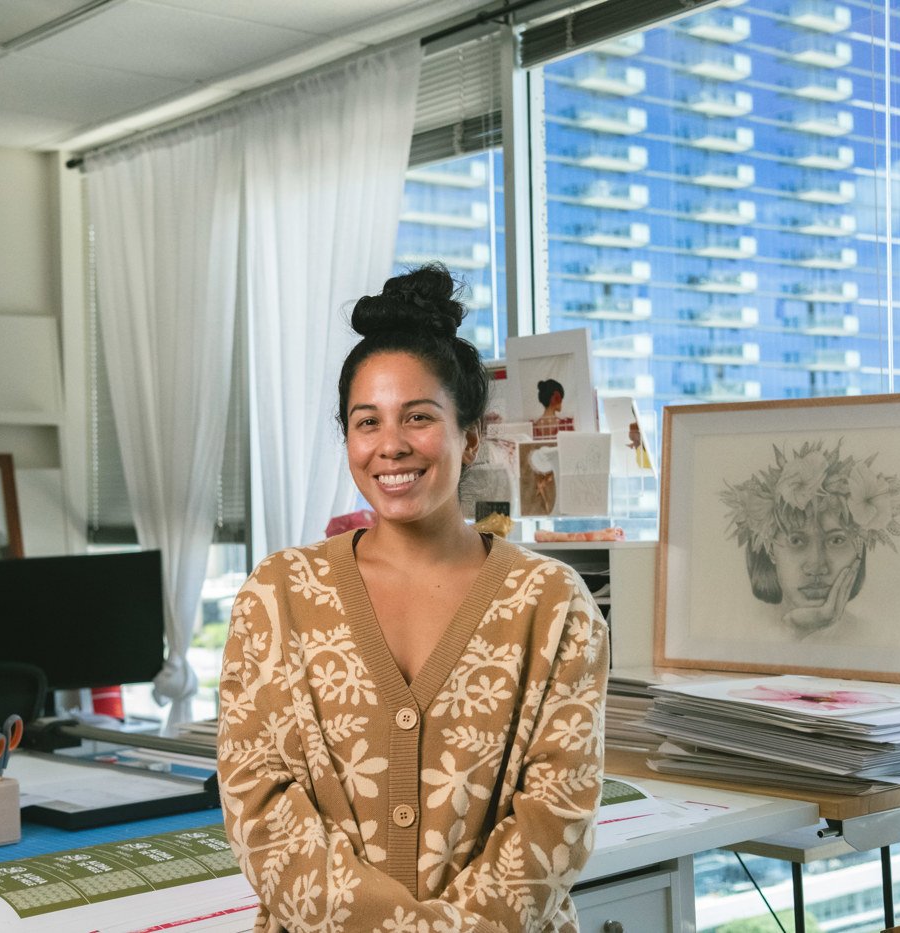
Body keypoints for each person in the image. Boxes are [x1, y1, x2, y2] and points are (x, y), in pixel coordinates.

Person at [217, 263, 610, 932]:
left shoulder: (551, 602)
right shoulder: (277, 594)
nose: (390, 445)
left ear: (471, 434)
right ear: (347, 437)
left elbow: (556, 817)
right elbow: (259, 804)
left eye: (419, 417)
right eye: (366, 421)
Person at [721, 440, 900, 641]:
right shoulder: (734, 630)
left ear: (859, 548)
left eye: (836, 540)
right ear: (770, 548)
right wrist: (795, 630)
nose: (816, 566)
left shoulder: (874, 638)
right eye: (796, 541)